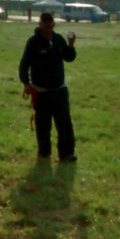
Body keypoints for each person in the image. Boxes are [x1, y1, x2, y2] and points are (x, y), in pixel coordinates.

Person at [18, 11, 77, 162]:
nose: (48, 27)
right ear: (40, 24)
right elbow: (24, 65)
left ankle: (67, 154)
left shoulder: (58, 40)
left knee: (64, 124)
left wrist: (70, 45)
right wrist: (26, 83)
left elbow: (69, 58)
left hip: (59, 90)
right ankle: (44, 153)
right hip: (41, 91)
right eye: (45, 25)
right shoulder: (33, 42)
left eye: (50, 24)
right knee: (43, 125)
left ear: (53, 24)